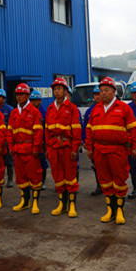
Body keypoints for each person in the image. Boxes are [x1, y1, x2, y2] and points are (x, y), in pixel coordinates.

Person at [86, 77, 136, 224]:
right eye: (101, 91)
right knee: (105, 182)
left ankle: (119, 211)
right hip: (100, 151)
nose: (103, 93)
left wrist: (135, 147)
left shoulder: (124, 108)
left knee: (119, 181)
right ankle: (110, 210)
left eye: (106, 90)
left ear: (113, 91)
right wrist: (90, 148)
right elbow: (89, 130)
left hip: (118, 151)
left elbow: (134, 128)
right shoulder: (95, 109)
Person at [45, 78, 82, 218]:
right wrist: (48, 148)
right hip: (54, 147)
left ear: (65, 91)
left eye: (59, 89)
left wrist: (74, 149)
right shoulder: (50, 109)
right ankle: (62, 204)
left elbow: (77, 130)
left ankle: (72, 205)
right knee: (58, 176)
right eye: (55, 89)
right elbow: (47, 131)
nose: (56, 91)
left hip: (67, 146)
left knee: (70, 177)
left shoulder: (72, 109)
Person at [8, 84, 44, 214]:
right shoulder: (13, 113)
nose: (19, 97)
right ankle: (25, 201)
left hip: (30, 151)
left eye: (22, 94)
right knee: (21, 178)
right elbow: (9, 132)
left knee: (34, 177)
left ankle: (35, 202)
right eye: (17, 94)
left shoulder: (34, 112)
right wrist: (11, 147)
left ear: (28, 95)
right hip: (18, 150)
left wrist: (36, 148)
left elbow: (38, 132)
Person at [82, 85, 103, 196]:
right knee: (96, 166)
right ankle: (99, 186)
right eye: (95, 95)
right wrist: (85, 141)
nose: (97, 97)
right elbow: (86, 128)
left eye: (98, 94)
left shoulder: (107, 109)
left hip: (104, 143)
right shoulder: (89, 111)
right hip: (94, 144)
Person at [29, 90, 49, 190]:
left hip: (41, 142)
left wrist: (45, 142)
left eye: (35, 100)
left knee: (42, 162)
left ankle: (43, 181)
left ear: (40, 101)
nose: (33, 102)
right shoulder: (28, 112)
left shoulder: (43, 113)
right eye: (32, 100)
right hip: (31, 142)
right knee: (32, 162)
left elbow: (46, 129)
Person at [0, 88, 15, 188]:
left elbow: (13, 124)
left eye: (0, 97)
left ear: (4, 99)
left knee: (8, 159)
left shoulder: (9, 109)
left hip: (7, 138)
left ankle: (10, 178)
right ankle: (0, 178)